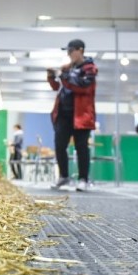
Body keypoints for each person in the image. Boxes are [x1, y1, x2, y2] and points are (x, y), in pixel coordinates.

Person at [47, 39, 98, 192]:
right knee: (59, 145)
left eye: (71, 51)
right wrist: (51, 77)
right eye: (68, 51)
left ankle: (83, 178)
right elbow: (57, 87)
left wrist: (62, 76)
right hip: (63, 113)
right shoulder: (66, 68)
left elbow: (82, 86)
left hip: (81, 115)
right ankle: (63, 176)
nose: (69, 54)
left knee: (81, 147)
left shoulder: (90, 69)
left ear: (80, 50)